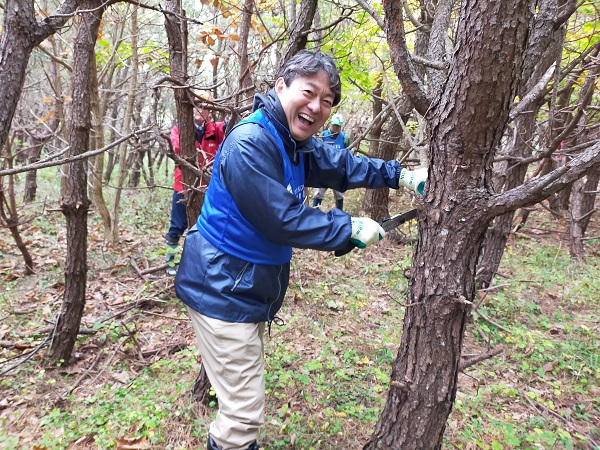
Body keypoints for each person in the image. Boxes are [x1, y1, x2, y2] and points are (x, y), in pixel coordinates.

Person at [174, 50, 427, 450]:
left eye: (327, 101)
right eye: (309, 92)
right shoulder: (252, 143)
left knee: (241, 404)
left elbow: (340, 165)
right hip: (221, 288)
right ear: (281, 87)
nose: (317, 106)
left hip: (244, 287)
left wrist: (401, 176)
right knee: (242, 415)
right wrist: (349, 228)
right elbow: (283, 218)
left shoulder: (293, 142)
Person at [164, 95, 226, 276]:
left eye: (206, 107)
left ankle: (203, 265)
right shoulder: (179, 129)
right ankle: (170, 262)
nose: (201, 110)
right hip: (183, 186)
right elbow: (176, 148)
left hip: (208, 188)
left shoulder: (215, 129)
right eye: (197, 105)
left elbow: (231, 127)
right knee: (177, 226)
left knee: (207, 227)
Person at [312, 112, 351, 210]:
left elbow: (348, 154)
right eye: (334, 125)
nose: (335, 128)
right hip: (323, 170)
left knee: (339, 195)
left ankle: (339, 215)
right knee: (318, 193)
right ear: (330, 124)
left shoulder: (344, 138)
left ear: (341, 126)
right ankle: (315, 212)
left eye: (338, 126)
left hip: (337, 172)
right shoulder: (323, 135)